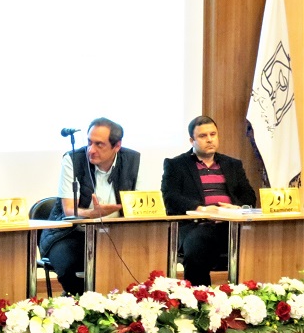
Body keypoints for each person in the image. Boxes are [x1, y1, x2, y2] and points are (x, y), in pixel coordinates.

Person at [39, 117, 143, 296]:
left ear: (117, 146)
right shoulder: (73, 159)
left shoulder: (133, 160)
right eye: (89, 142)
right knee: (68, 264)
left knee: (140, 257)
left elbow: (140, 205)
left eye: (99, 144)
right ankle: (80, 302)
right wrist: (92, 214)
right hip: (70, 233)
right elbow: (69, 210)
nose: (91, 150)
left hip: (117, 234)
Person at [161, 115, 256, 286]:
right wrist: (202, 209)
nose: (209, 139)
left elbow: (249, 197)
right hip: (197, 225)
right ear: (192, 140)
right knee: (198, 246)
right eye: (203, 136)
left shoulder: (233, 164)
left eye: (213, 134)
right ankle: (199, 297)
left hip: (232, 225)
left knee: (263, 240)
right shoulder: (176, 165)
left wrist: (237, 208)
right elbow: (171, 198)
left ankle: (250, 294)